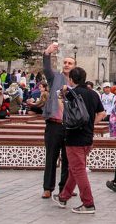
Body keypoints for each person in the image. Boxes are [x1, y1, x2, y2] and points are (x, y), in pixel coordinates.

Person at [53, 66, 105, 214]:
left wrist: (60, 97)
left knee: (78, 170)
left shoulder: (71, 94)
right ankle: (64, 196)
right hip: (88, 138)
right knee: (74, 169)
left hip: (74, 137)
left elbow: (64, 113)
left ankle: (88, 203)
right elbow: (102, 113)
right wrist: (90, 124)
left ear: (71, 79)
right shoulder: (93, 94)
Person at [43, 42, 75, 199]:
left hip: (69, 126)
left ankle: (64, 188)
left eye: (70, 63)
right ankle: (48, 187)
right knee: (51, 156)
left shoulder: (76, 83)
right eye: (65, 62)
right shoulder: (55, 77)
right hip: (54, 123)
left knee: (67, 159)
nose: (67, 65)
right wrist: (47, 54)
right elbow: (46, 69)